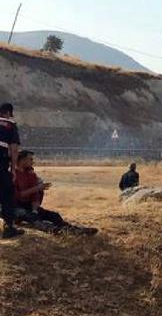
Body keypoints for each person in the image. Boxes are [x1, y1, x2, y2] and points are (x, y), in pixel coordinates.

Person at [13, 151, 96, 235]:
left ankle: (72, 229)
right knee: (33, 219)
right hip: (15, 206)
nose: (33, 161)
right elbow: (17, 195)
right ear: (22, 160)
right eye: (30, 159)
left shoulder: (31, 174)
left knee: (54, 215)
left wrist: (35, 210)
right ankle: (58, 231)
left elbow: (35, 195)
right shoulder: (12, 174)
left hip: (28, 205)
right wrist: (37, 188)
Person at [0, 102, 22, 238]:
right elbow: (14, 149)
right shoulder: (10, 125)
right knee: (7, 193)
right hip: (1, 163)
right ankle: (9, 227)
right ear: (8, 112)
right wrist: (13, 169)